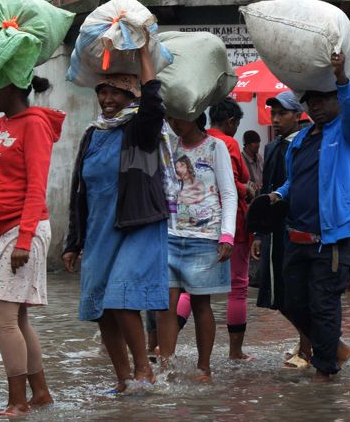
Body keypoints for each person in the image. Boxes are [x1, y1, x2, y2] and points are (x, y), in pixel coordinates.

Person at [0, 60, 65, 416]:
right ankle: (41, 394)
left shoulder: (34, 125)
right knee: (16, 320)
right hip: (0, 231)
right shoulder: (2, 124)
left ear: (14, 87)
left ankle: (17, 402)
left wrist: (24, 239)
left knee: (2, 318)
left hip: (20, 231)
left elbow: (37, 185)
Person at [63, 46, 169, 392]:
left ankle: (145, 372)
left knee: (120, 299)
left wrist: (143, 57)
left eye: (116, 93)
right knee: (100, 307)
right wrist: (73, 242)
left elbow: (154, 103)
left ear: (131, 95)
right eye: (103, 92)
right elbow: (79, 190)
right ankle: (123, 379)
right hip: (99, 231)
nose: (107, 99)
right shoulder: (94, 134)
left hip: (137, 224)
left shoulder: (140, 129)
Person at [267, 52, 350, 382]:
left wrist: (341, 78)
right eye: (311, 101)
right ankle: (332, 347)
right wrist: (280, 193)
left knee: (324, 304)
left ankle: (326, 372)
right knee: (290, 302)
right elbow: (295, 179)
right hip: (298, 235)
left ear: (336, 99)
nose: (317, 106)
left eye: (324, 100)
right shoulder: (303, 139)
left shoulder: (348, 133)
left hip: (332, 237)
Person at [155, 111, 237, 380]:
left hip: (205, 238)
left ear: (194, 115)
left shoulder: (216, 147)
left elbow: (228, 192)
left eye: (177, 117)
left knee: (202, 304)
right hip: (169, 234)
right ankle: (166, 366)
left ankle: (204, 367)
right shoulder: (168, 145)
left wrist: (227, 235)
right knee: (165, 304)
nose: (173, 123)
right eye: (170, 118)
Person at [204, 98, 253, 360]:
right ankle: (235, 352)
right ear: (232, 122)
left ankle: (165, 348)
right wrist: (249, 189)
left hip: (203, 223)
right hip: (233, 224)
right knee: (238, 287)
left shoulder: (199, 139)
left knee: (194, 288)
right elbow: (238, 181)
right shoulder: (229, 142)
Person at [242, 129, 264, 197]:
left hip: (260, 196)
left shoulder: (260, 157)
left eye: (258, 142)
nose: (258, 145)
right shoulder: (240, 159)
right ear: (247, 145)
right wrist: (250, 184)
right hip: (248, 198)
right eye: (255, 142)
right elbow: (238, 180)